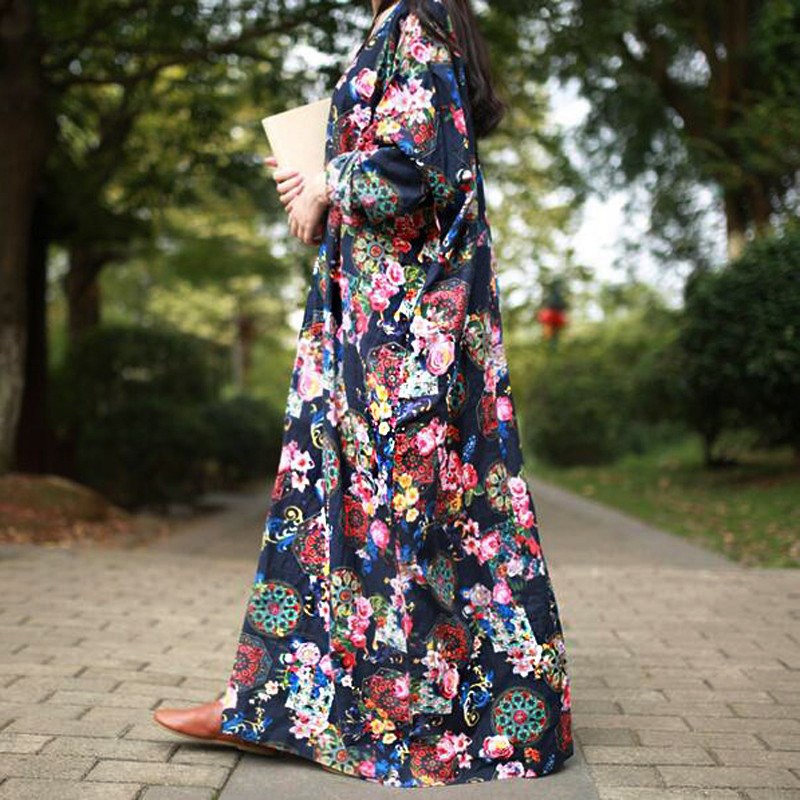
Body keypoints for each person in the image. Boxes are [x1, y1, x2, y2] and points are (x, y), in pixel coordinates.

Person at [154, 0, 575, 787]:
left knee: (400, 514)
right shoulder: (405, 23)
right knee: (353, 511)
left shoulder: (416, 23)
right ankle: (275, 704)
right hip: (383, 321)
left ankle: (419, 720)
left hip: (404, 335)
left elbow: (418, 167)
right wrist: (317, 194)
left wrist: (327, 181)